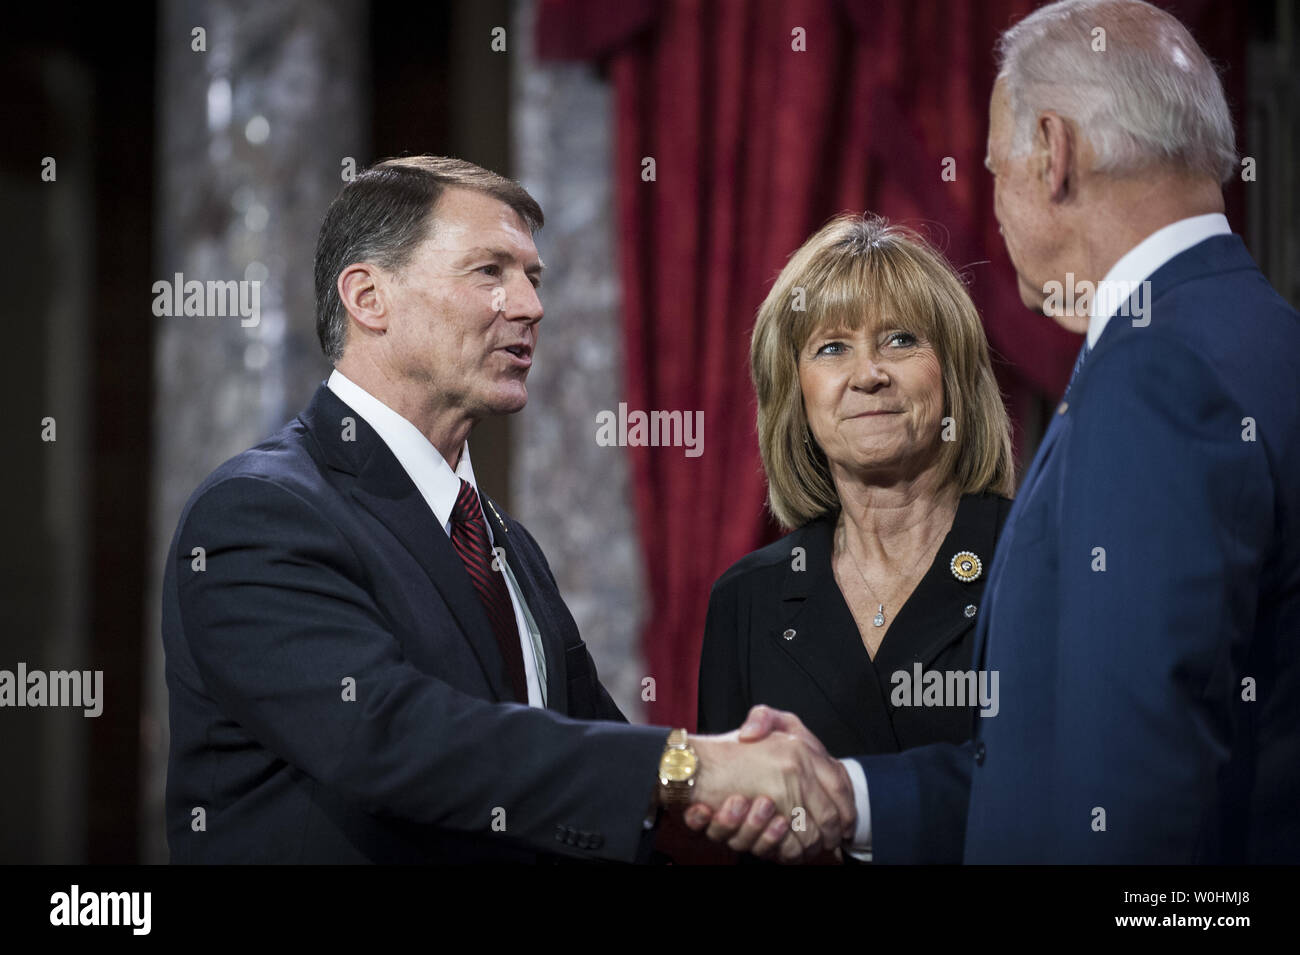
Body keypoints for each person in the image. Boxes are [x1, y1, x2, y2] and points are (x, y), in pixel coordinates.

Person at [690, 0, 1300, 863]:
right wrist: (852, 794)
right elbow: (1054, 773)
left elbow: (1139, 787)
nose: (996, 205)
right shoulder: (1263, 337)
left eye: (994, 168)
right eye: (831, 348)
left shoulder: (1155, 370)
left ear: (1052, 154)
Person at [161, 155, 854, 863]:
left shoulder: (504, 543)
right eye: (489, 271)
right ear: (369, 297)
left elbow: (585, 770)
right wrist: (690, 767)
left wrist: (755, 811)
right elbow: (384, 733)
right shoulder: (259, 512)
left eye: (533, 277)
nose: (530, 306)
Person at [695, 215, 1015, 855]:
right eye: (831, 348)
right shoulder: (749, 598)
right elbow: (725, 839)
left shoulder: (1033, 559)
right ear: (796, 395)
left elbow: (1072, 791)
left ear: (953, 378)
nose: (868, 374)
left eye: (900, 340)